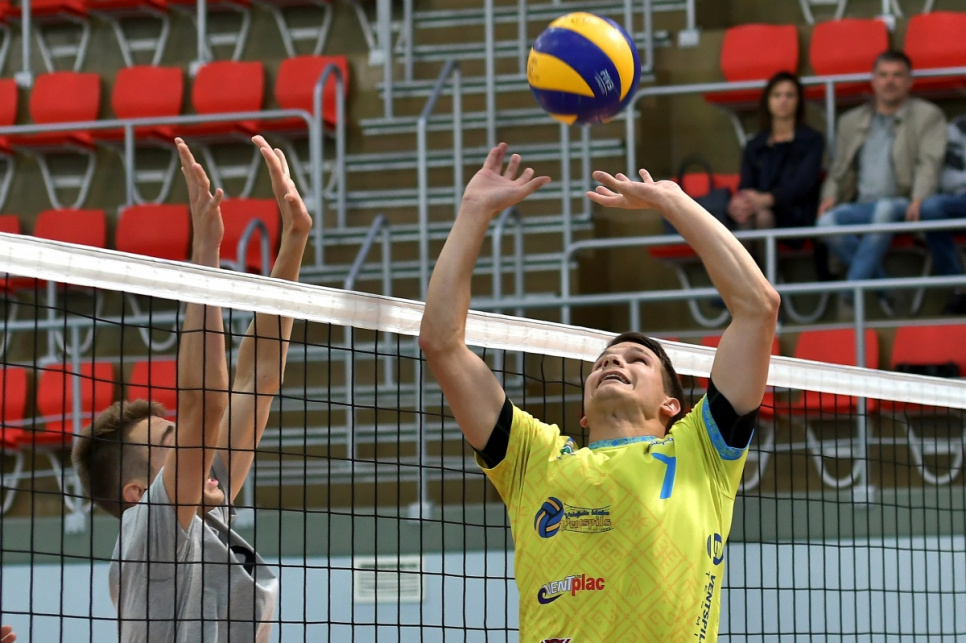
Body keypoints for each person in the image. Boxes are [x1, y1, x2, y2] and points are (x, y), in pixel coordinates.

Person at [418, 143, 780, 642]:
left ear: (671, 406)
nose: (613, 360)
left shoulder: (701, 451)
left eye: (637, 360)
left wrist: (672, 201)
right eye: (604, 361)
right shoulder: (535, 459)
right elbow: (441, 344)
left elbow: (758, 307)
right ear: (583, 414)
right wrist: (473, 212)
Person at [71, 134, 312, 642]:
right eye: (171, 441)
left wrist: (293, 240)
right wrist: (205, 256)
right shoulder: (148, 532)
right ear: (138, 494)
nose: (191, 442)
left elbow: (258, 376)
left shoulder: (202, 516)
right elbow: (206, 403)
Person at [816, 50, 947, 317]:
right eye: (883, 75)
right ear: (873, 80)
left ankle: (848, 294)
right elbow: (839, 167)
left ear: (910, 81)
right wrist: (830, 196)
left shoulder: (928, 116)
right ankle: (885, 289)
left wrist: (920, 197)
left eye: (897, 75)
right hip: (861, 205)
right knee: (825, 223)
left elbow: (929, 163)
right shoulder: (851, 121)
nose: (889, 81)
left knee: (885, 210)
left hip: (901, 201)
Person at [728, 70, 825, 271]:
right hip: (759, 210)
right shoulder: (754, 144)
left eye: (790, 95)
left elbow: (803, 184)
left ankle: (763, 286)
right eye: (777, 95)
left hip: (796, 213)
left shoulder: (812, 140)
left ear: (799, 101)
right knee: (747, 218)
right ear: (768, 101)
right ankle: (749, 286)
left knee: (763, 217)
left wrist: (768, 199)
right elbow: (746, 184)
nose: (783, 100)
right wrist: (743, 202)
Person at [918, 115, 966, 314]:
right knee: (931, 208)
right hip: (959, 197)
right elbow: (948, 177)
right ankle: (959, 286)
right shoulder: (956, 128)